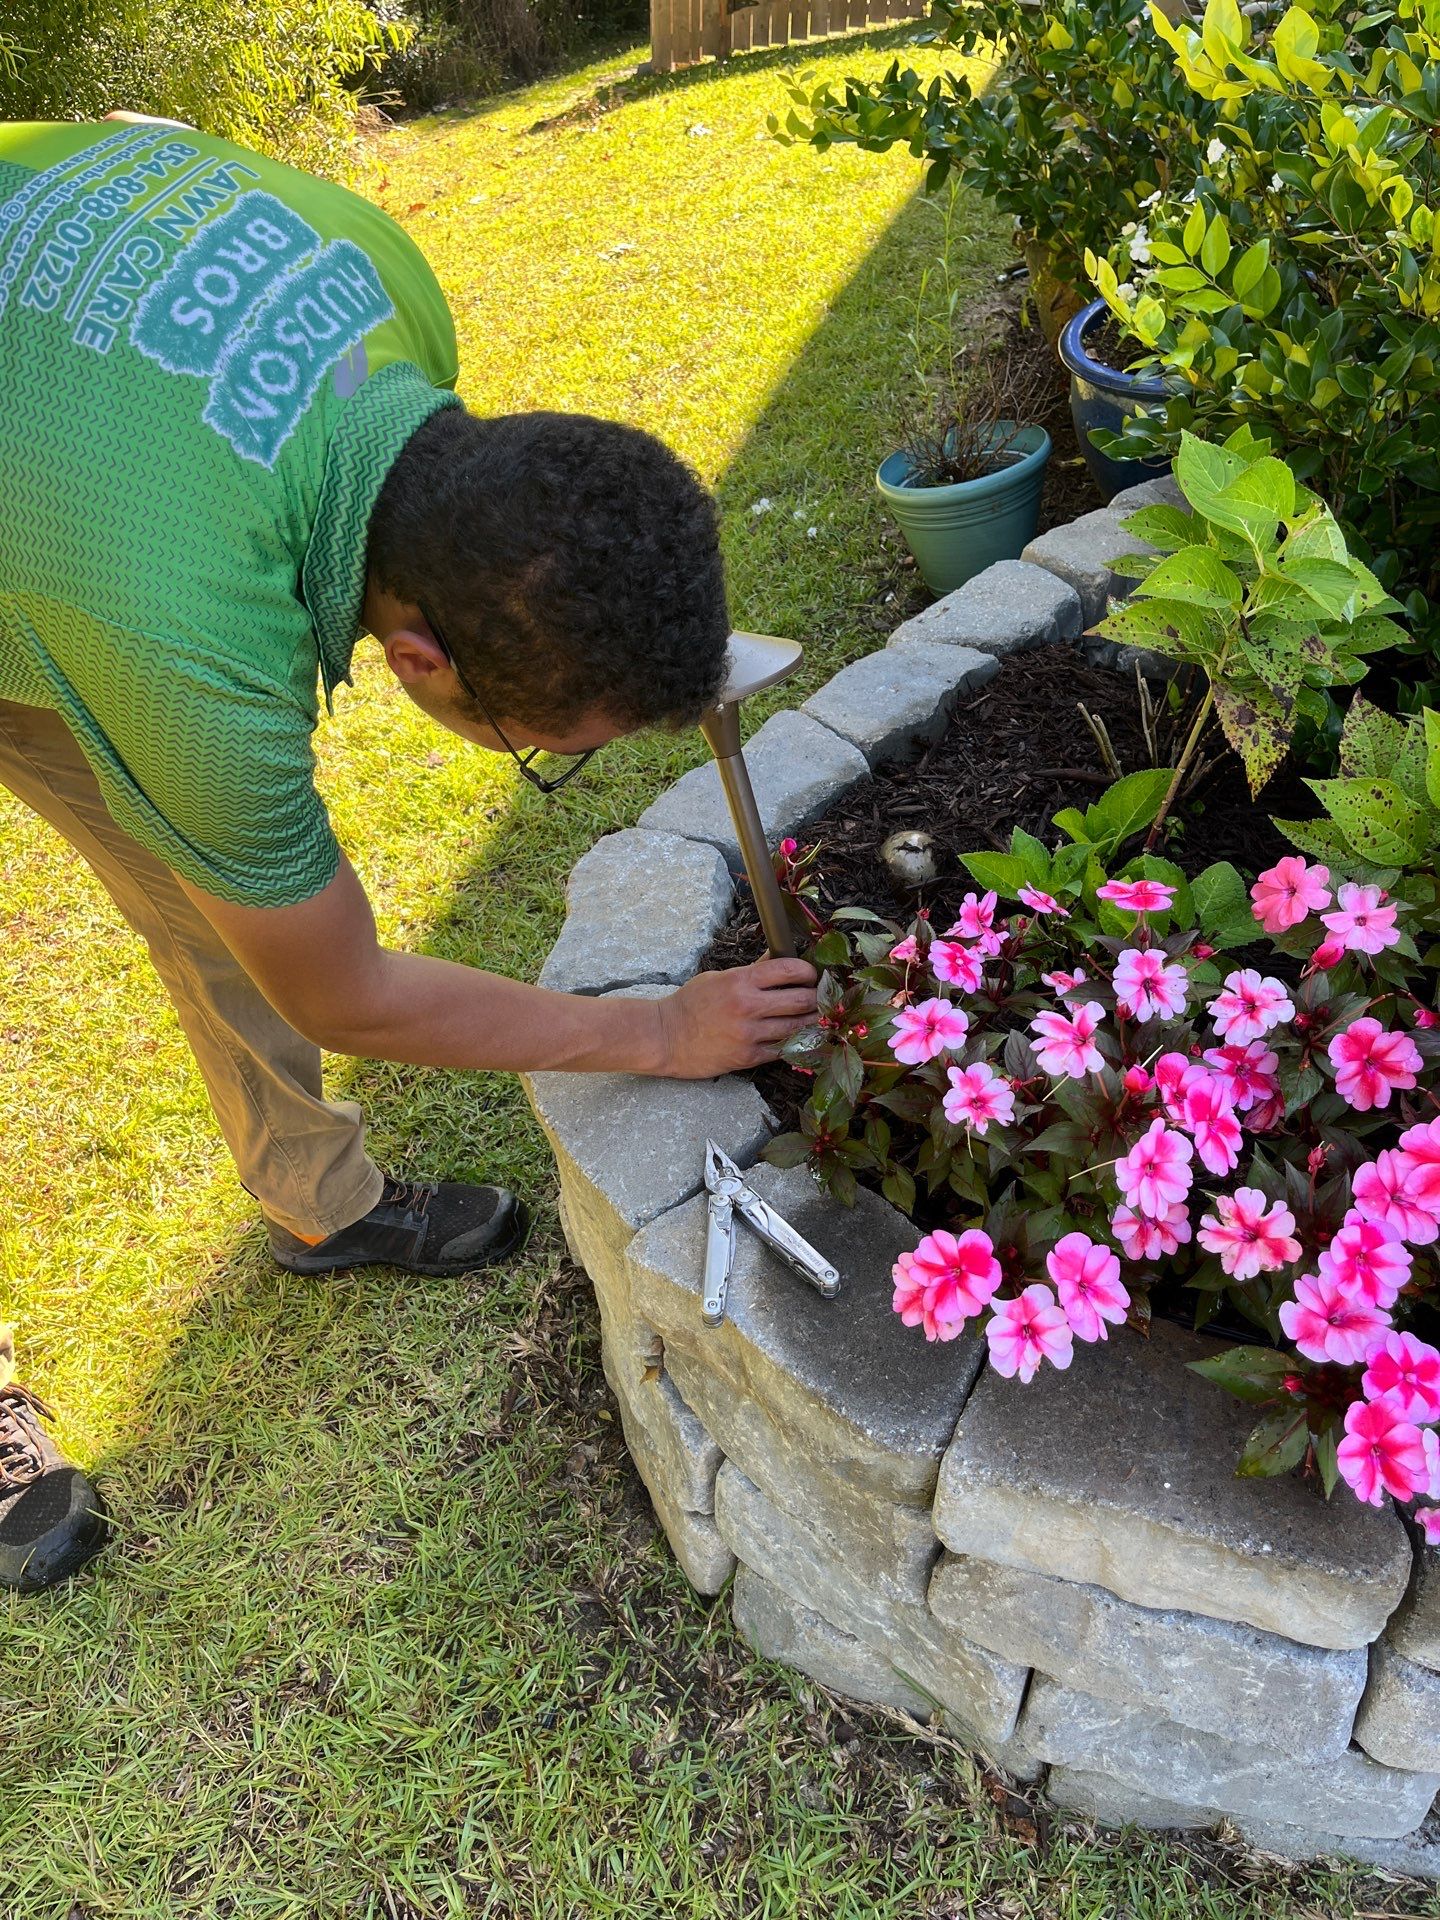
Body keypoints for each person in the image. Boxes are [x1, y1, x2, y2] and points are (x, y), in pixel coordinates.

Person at [0, 116, 817, 1594]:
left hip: (53, 503)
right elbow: (348, 991)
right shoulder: (188, 635)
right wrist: (656, 1031)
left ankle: (316, 1197)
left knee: (221, 890)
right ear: (426, 658)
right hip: (75, 537)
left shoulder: (391, 297)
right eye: (553, 750)